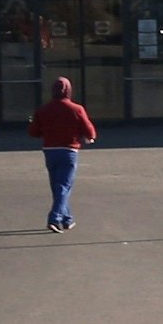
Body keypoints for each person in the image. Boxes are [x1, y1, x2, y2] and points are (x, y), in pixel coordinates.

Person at [27, 77, 96, 232]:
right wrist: (89, 137)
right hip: (68, 150)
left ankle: (67, 219)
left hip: (50, 151)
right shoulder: (76, 109)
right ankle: (54, 218)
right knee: (64, 185)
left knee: (57, 186)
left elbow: (33, 132)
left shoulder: (42, 110)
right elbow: (89, 130)